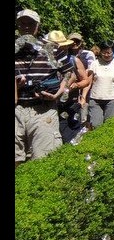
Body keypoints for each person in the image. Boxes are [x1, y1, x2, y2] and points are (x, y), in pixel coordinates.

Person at [15, 9, 72, 166]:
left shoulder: (52, 49)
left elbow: (68, 72)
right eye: (22, 23)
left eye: (30, 23)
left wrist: (59, 93)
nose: (26, 27)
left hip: (44, 109)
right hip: (17, 108)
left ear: (37, 26)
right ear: (17, 25)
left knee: (44, 159)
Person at [80, 40, 114, 129]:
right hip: (95, 99)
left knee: (110, 125)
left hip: (112, 99)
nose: (106, 55)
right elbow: (88, 83)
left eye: (109, 52)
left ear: (113, 52)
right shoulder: (94, 64)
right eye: (104, 52)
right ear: (100, 52)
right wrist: (83, 97)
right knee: (96, 125)